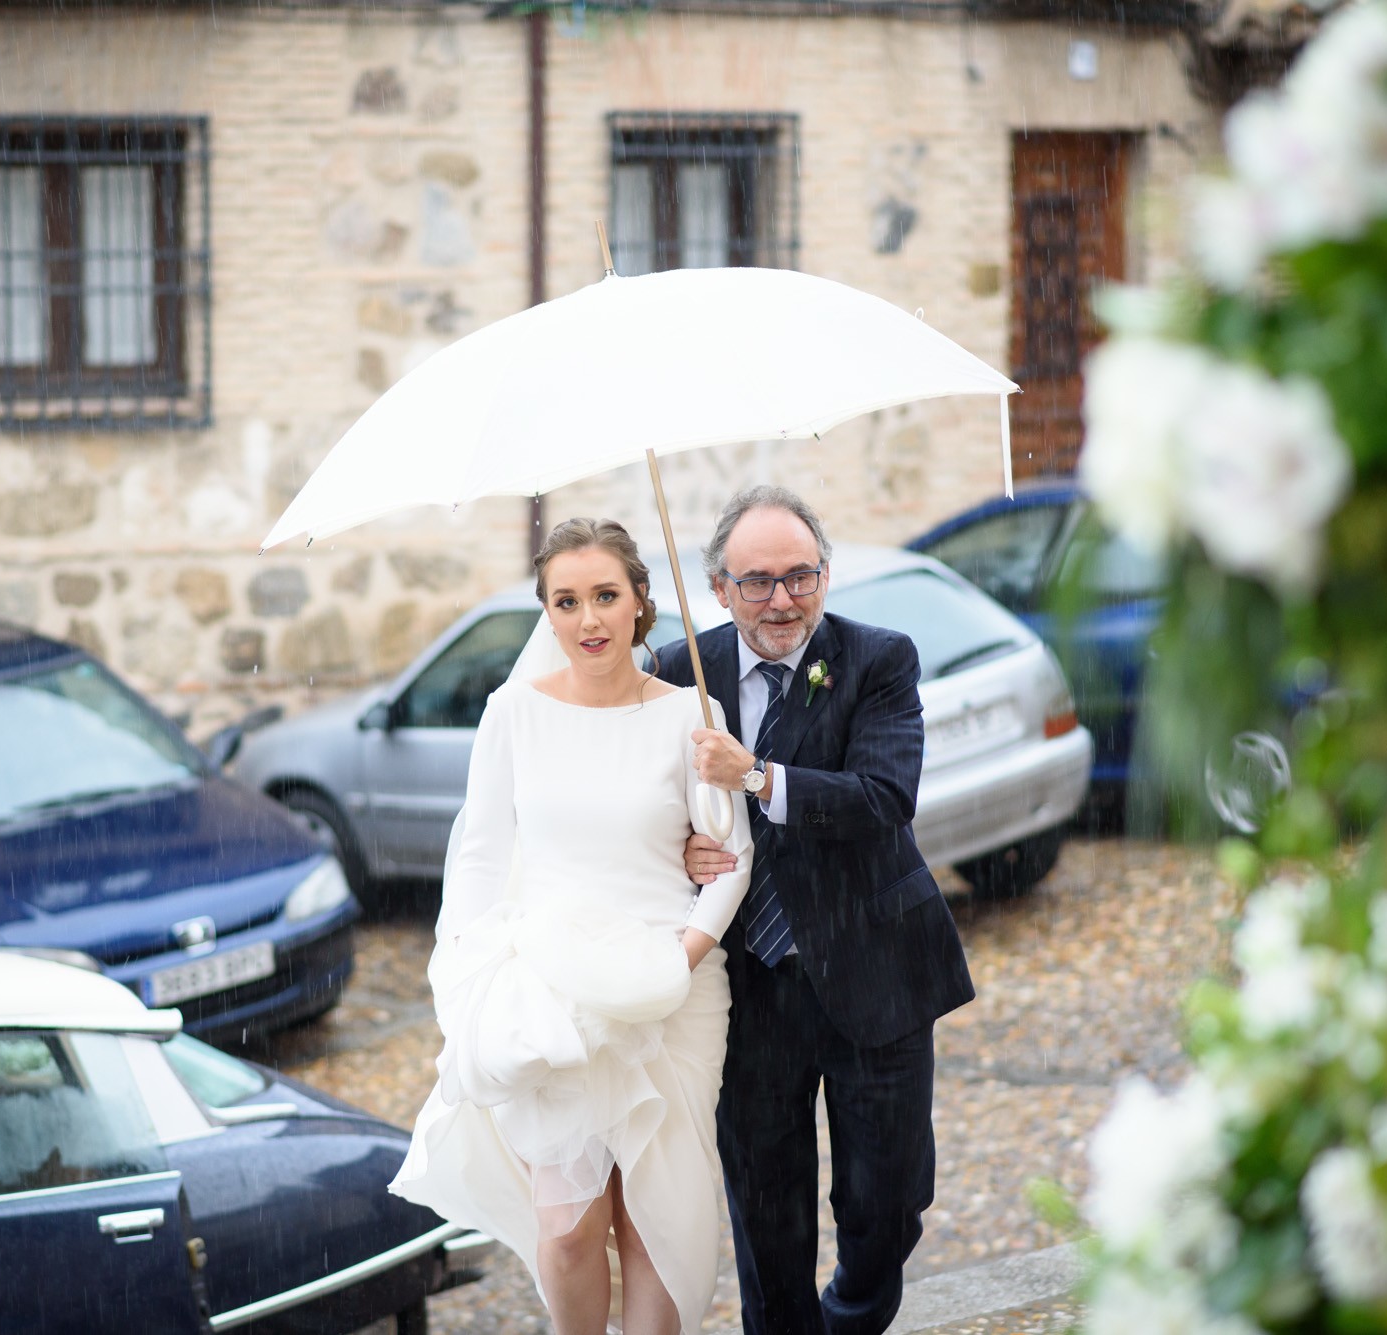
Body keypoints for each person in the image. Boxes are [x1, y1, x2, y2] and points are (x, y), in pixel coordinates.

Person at [391, 517, 753, 1335]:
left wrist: (684, 955)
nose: (588, 618)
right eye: (566, 600)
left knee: (656, 1220)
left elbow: (733, 857)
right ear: (547, 612)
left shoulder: (689, 712)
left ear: (639, 601)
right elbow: (480, 856)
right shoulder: (512, 712)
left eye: (605, 595)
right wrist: (469, 974)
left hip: (673, 988)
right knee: (567, 1226)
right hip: (554, 988)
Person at [659, 485, 975, 1334]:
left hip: (876, 970)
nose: (782, 599)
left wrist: (758, 777)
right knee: (768, 1217)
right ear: (719, 587)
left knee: (888, 1203)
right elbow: (642, 814)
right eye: (757, 581)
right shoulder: (677, 673)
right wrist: (677, 850)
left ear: (826, 575)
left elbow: (883, 797)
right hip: (748, 990)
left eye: (801, 575)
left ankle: (850, 1316)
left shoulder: (879, 659)